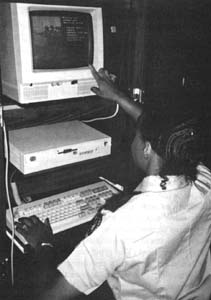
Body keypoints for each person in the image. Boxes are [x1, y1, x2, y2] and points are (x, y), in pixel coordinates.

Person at [15, 65, 211, 300]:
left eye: (136, 136)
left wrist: (44, 244)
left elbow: (50, 295)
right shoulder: (204, 179)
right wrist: (117, 95)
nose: (132, 142)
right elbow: (162, 130)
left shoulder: (121, 226)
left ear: (147, 148)